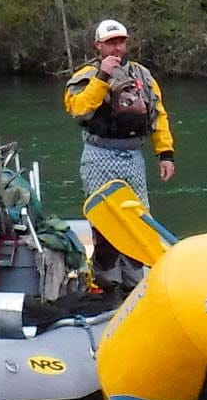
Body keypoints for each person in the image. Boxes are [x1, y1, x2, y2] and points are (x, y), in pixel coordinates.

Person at [65, 19, 176, 288]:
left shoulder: (142, 75)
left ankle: (134, 282)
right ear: (98, 45)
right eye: (111, 43)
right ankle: (106, 283)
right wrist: (102, 77)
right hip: (99, 154)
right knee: (105, 222)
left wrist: (165, 153)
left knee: (137, 221)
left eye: (120, 42)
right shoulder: (85, 76)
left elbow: (158, 114)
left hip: (132, 157)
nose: (117, 47)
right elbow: (79, 109)